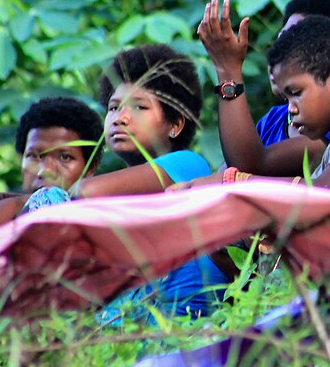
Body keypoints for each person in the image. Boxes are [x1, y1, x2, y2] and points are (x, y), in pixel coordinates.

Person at [25, 44, 229, 319]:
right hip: (129, 333)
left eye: (139, 107)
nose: (120, 118)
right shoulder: (125, 197)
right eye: (113, 107)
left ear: (175, 125)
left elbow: (87, 192)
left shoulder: (189, 165)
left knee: (47, 201)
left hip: (177, 332)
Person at [174, 16, 330, 197]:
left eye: (296, 94)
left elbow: (321, 193)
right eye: (287, 99)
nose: (291, 109)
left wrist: (235, 182)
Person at [198, 0, 330, 180]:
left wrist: (228, 71)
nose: (278, 53)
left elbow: (250, 166)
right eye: (281, 40)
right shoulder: (274, 119)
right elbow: (227, 172)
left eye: (292, 43)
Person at [0, 96, 103, 236]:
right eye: (34, 156)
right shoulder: (0, 206)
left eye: (64, 157)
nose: (45, 170)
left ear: (90, 169)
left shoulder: (105, 218)